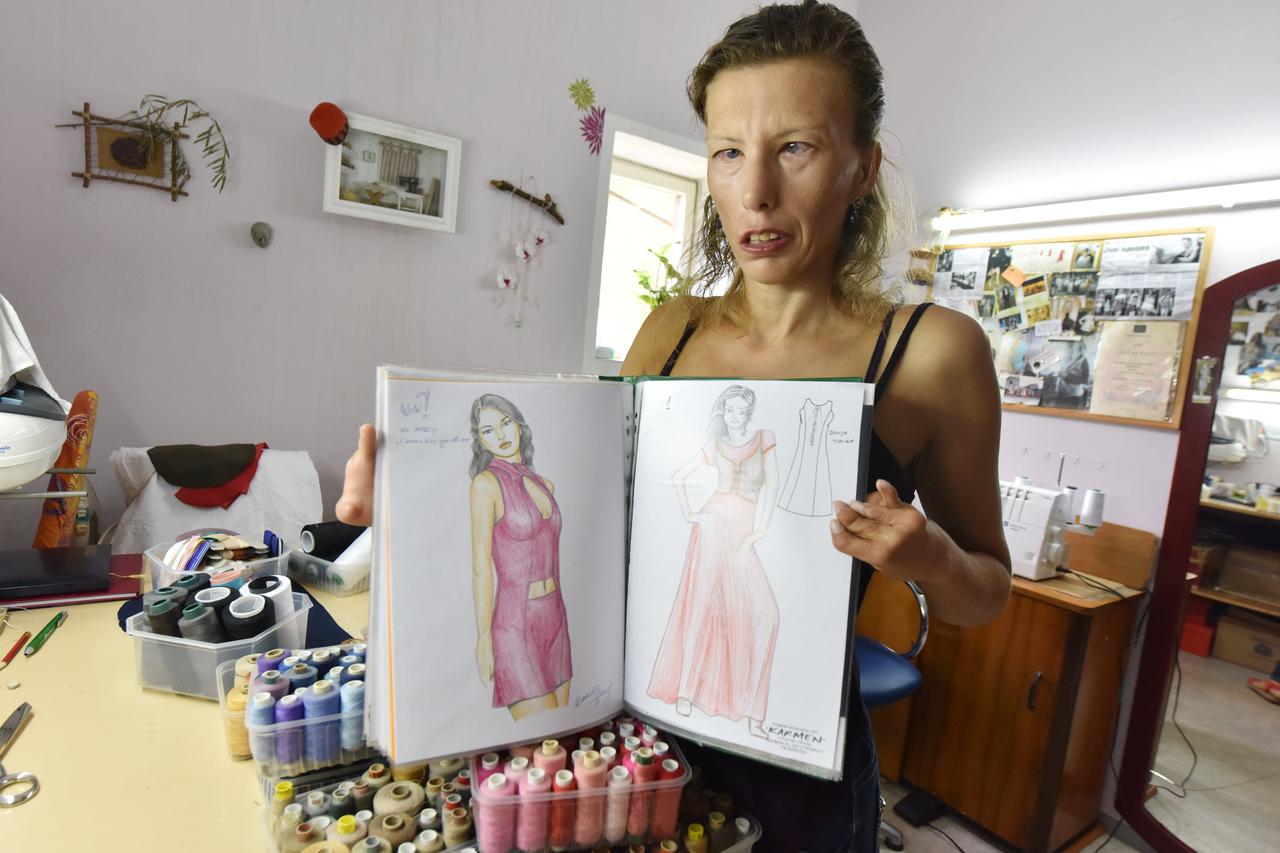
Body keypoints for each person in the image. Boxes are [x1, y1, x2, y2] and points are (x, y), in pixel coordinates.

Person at [338, 3, 1012, 850]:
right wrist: (409, 511)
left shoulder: (931, 354)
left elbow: (987, 587)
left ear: (861, 167)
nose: (755, 191)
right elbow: (588, 535)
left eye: (795, 147)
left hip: (798, 774)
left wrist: (932, 558)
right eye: (728, 152)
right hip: (633, 754)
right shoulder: (671, 330)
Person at [647, 384, 781, 739]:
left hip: (743, 530)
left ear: (750, 412)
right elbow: (678, 477)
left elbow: (773, 486)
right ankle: (686, 691)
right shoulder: (715, 445)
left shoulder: (764, 438)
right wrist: (691, 514)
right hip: (712, 525)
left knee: (766, 614)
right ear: (724, 411)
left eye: (742, 411)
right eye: (730, 410)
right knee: (700, 606)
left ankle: (753, 713)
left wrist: (757, 533)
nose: (736, 417)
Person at [467, 393, 572, 721]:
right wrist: (483, 638)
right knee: (542, 731)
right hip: (514, 624)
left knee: (565, 731)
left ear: (519, 426)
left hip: (555, 617)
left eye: (505, 423)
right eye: (488, 430)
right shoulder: (486, 485)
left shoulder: (544, 484)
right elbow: (481, 567)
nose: (500, 434)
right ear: (480, 440)